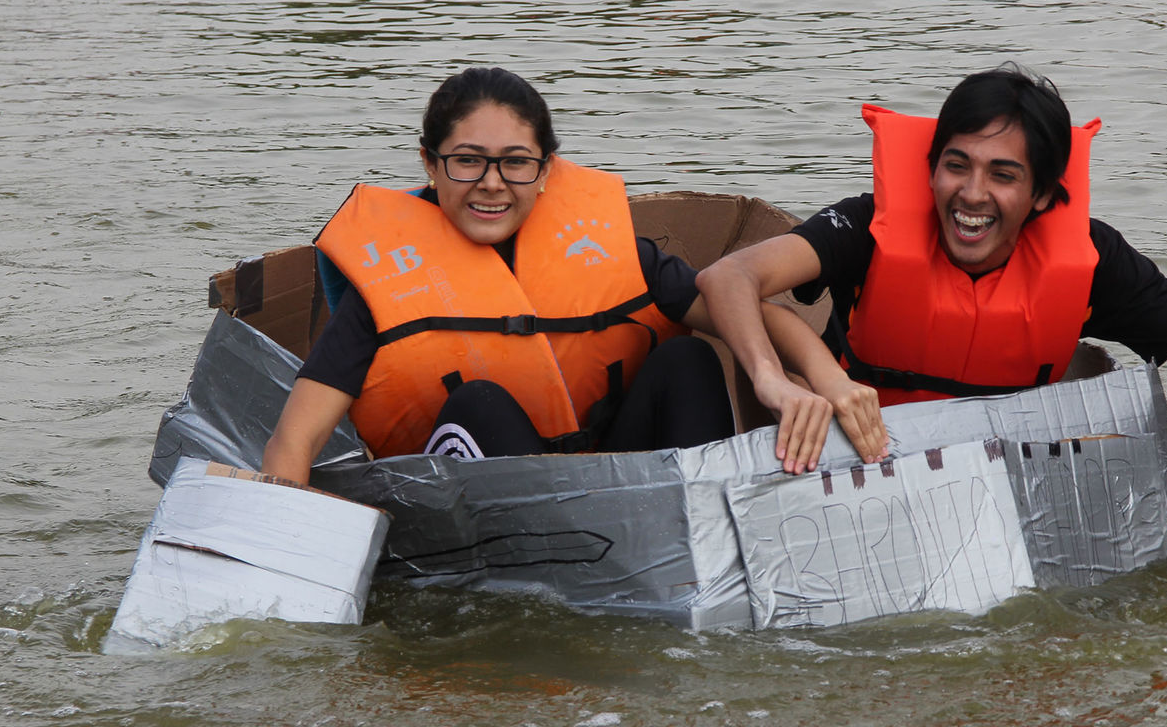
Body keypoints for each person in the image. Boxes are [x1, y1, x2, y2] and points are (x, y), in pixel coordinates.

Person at [695, 64, 1167, 473]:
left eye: (1003, 175)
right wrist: (774, 380)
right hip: (866, 459)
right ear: (932, 169)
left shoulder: (1094, 260)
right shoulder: (870, 225)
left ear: (1041, 195)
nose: (972, 194)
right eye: (956, 165)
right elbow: (729, 277)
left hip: (1002, 472)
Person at [262, 67, 803, 483]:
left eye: (515, 162)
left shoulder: (609, 253)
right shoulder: (388, 288)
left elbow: (755, 316)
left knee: (688, 359)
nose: (493, 183)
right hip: (489, 508)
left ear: (546, 170)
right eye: (468, 161)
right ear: (429, 164)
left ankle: (707, 534)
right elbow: (293, 441)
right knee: (481, 400)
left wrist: (819, 383)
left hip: (618, 481)